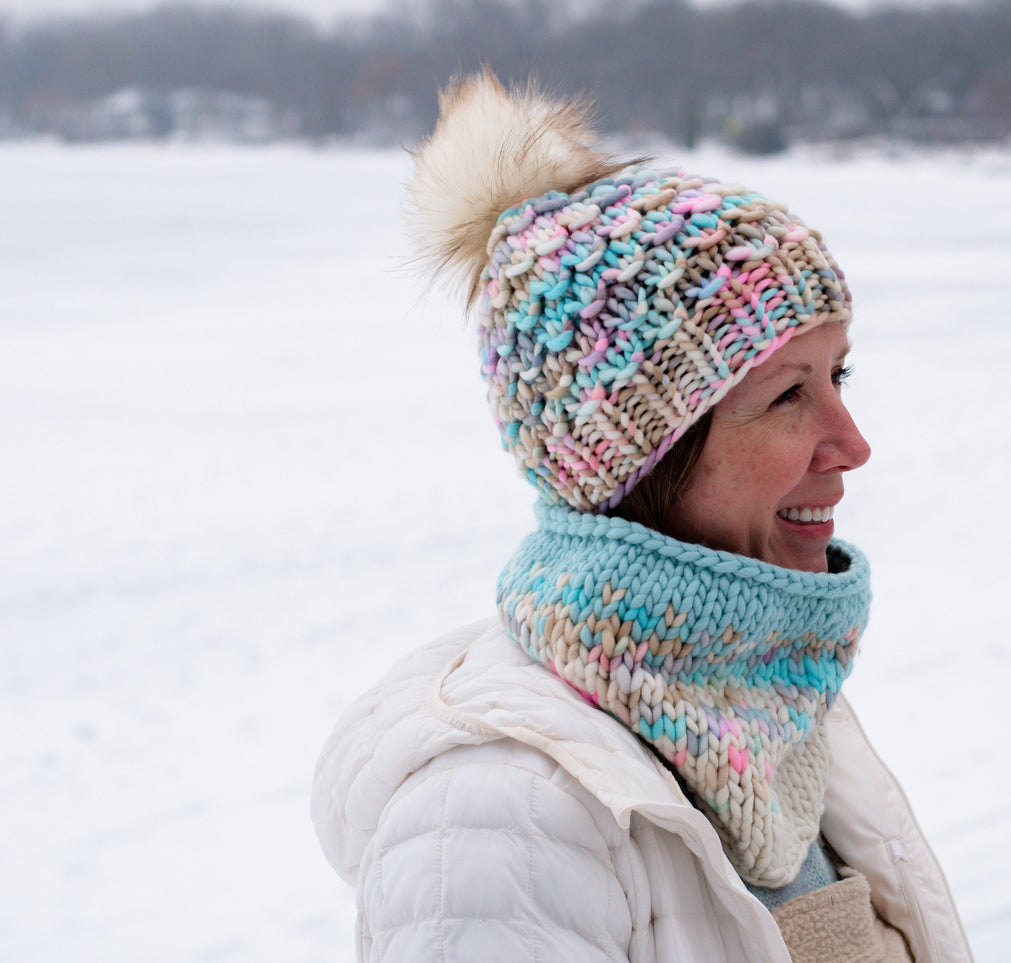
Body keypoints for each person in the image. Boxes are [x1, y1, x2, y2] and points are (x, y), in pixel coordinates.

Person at [311, 70, 973, 963]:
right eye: (787, 396)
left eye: (837, 376)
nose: (850, 442)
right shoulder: (502, 816)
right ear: (642, 452)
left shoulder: (774, 708)